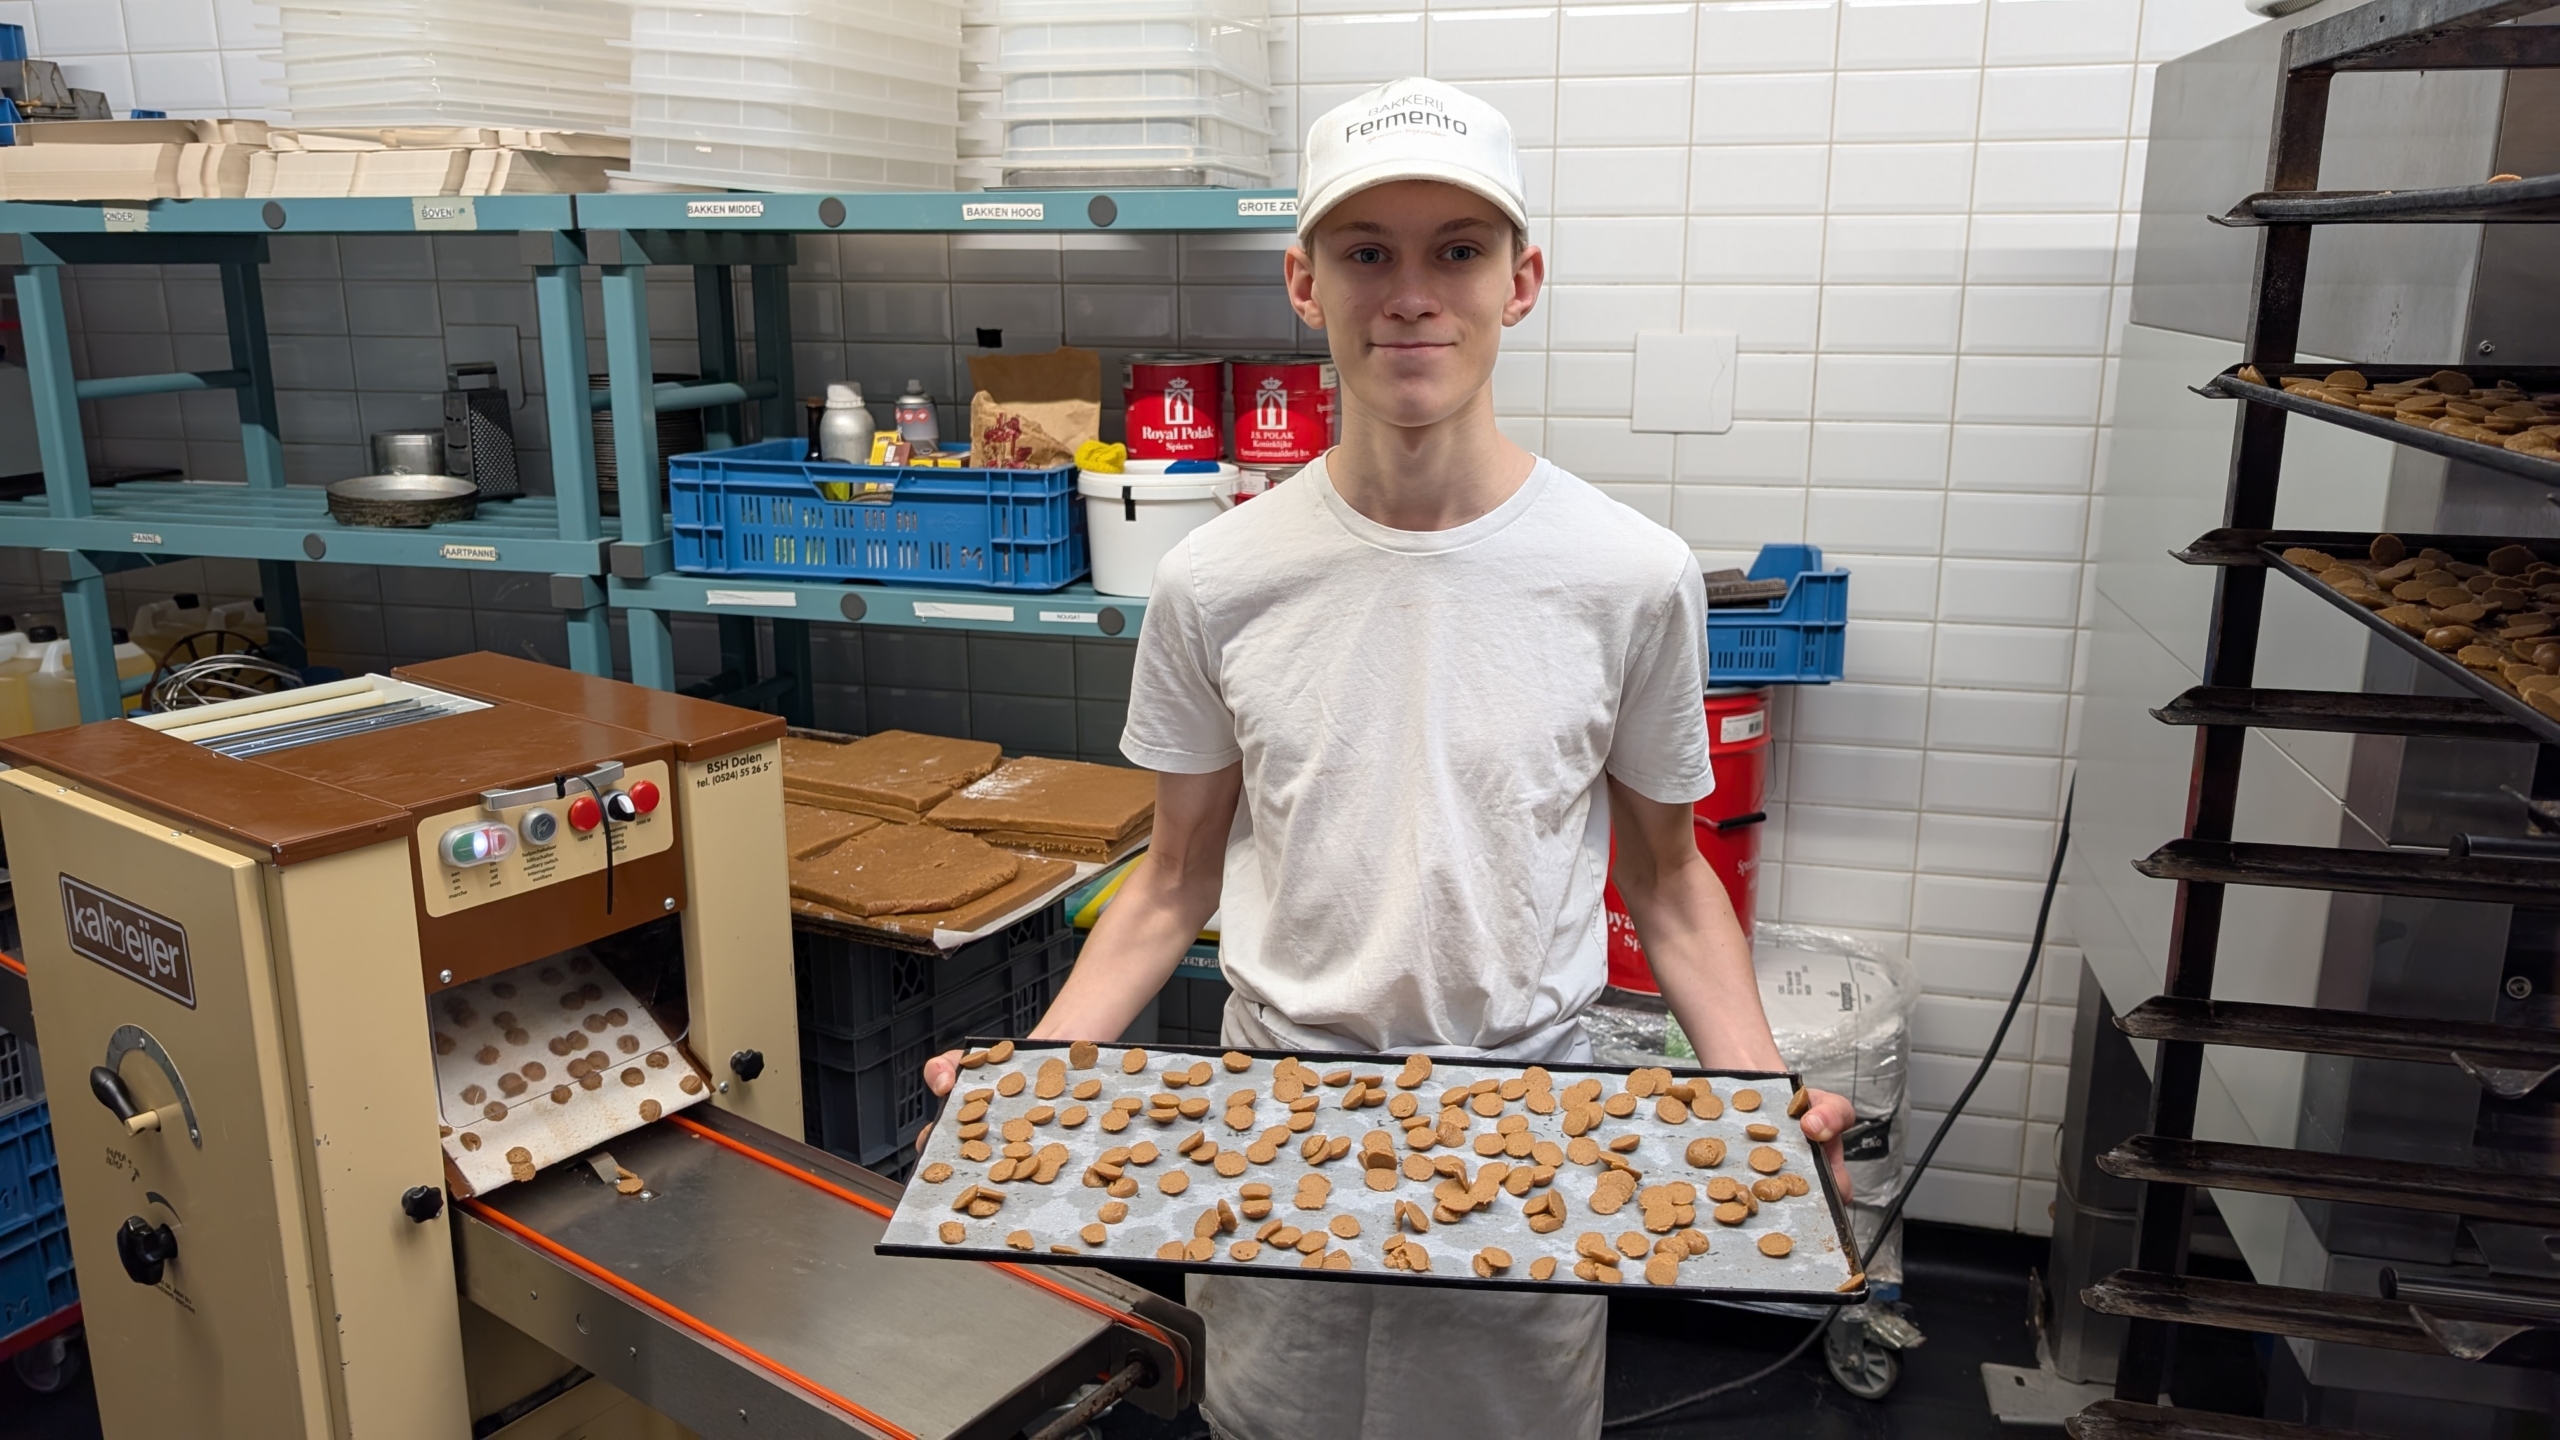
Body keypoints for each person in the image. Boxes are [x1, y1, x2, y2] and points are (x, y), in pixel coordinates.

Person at [923, 76, 1854, 1439]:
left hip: (1524, 1117)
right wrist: (1037, 1076)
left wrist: (1759, 1101)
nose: (1411, 294)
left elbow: (1669, 883)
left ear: (1521, 281)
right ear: (1305, 282)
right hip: (1278, 1111)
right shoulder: (1217, 579)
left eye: (1456, 251)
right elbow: (1175, 880)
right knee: (1267, 1421)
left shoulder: (1630, 577)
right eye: (1367, 252)